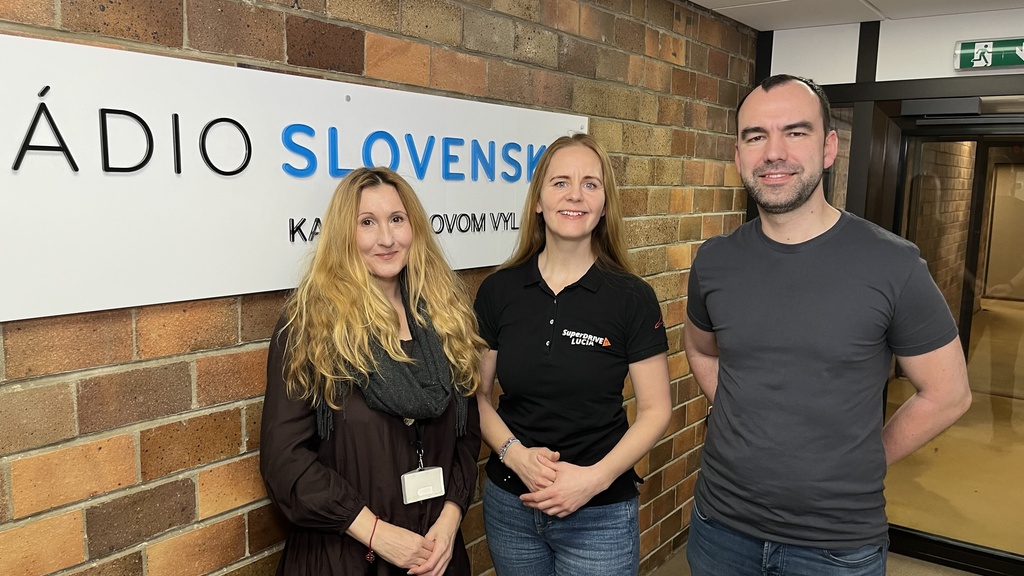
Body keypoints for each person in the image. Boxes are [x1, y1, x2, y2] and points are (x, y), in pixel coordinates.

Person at [684, 74, 973, 575]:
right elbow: (701, 350)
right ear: (738, 155)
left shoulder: (893, 264)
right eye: (756, 136)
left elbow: (948, 394)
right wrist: (742, 412)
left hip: (835, 547)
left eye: (795, 132)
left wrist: (865, 457)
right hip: (720, 530)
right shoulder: (714, 261)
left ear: (828, 148)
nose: (774, 152)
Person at [260, 167, 483, 576]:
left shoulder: (445, 317)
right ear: (344, 234)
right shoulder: (311, 326)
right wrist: (378, 534)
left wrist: (450, 520)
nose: (387, 238)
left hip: (436, 554)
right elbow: (284, 462)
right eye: (367, 223)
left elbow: (466, 435)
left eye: (397, 219)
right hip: (348, 557)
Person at [473, 133, 672, 575]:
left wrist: (592, 480)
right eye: (560, 182)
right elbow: (478, 396)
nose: (575, 195)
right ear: (538, 201)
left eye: (590, 184)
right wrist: (516, 456)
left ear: (604, 204)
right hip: (512, 507)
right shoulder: (499, 291)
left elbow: (656, 410)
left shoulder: (631, 298)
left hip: (600, 515)